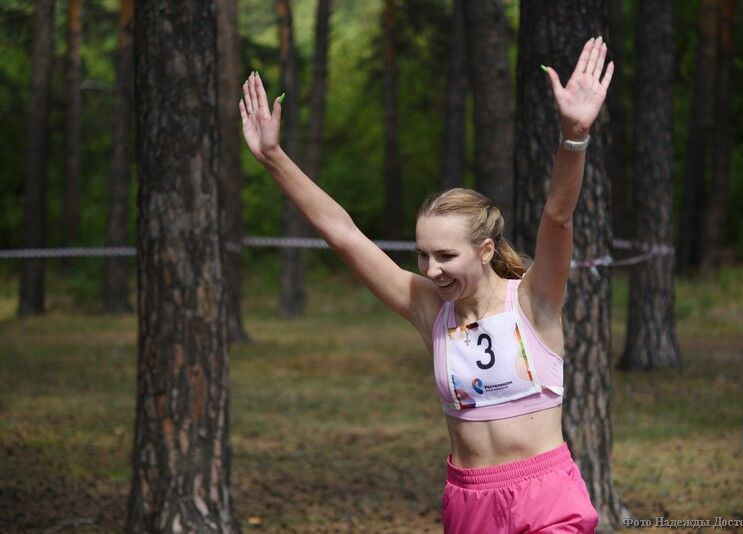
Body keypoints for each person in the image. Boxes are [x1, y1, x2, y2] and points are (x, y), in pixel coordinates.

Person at [240, 35, 613, 534]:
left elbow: (558, 216)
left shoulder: (533, 299)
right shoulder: (429, 308)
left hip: (546, 498)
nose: (431, 269)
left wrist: (574, 138)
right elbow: (344, 234)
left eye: (445, 255)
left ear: (484, 250)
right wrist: (272, 158)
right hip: (469, 501)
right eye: (422, 255)